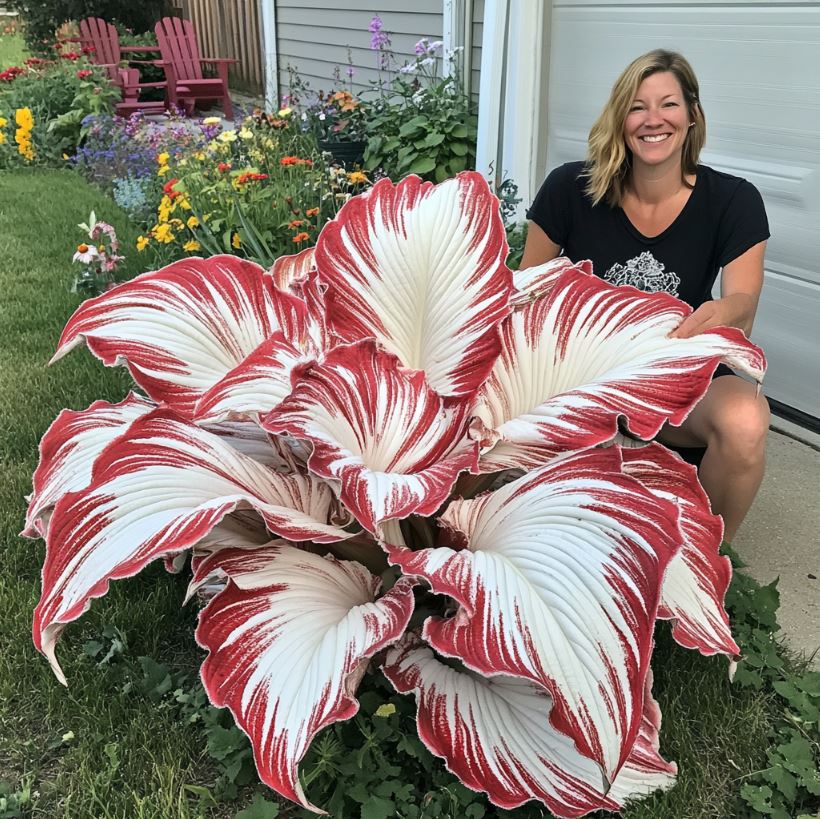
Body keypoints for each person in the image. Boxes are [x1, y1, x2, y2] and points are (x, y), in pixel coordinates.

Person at [521, 49, 770, 543]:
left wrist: (722, 312)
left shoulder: (733, 201)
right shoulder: (569, 189)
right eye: (638, 106)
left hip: (676, 370)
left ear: (693, 114)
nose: (653, 120)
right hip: (582, 372)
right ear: (620, 117)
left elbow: (743, 306)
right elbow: (526, 290)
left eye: (669, 105)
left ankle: (706, 562)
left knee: (745, 421)